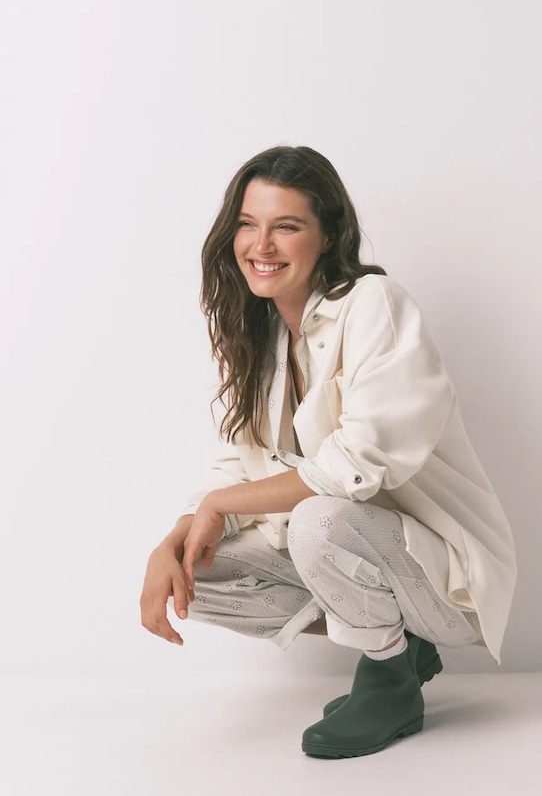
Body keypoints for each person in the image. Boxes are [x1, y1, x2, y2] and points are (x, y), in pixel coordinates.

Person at [140, 145, 516, 758]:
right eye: (248, 224)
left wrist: (221, 503)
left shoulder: (374, 304)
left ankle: (390, 678)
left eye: (287, 226)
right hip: (368, 557)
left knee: (318, 518)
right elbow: (241, 462)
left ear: (330, 234)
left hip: (444, 577)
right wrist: (177, 536)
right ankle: (399, 644)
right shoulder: (263, 335)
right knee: (196, 570)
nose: (261, 245)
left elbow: (358, 463)